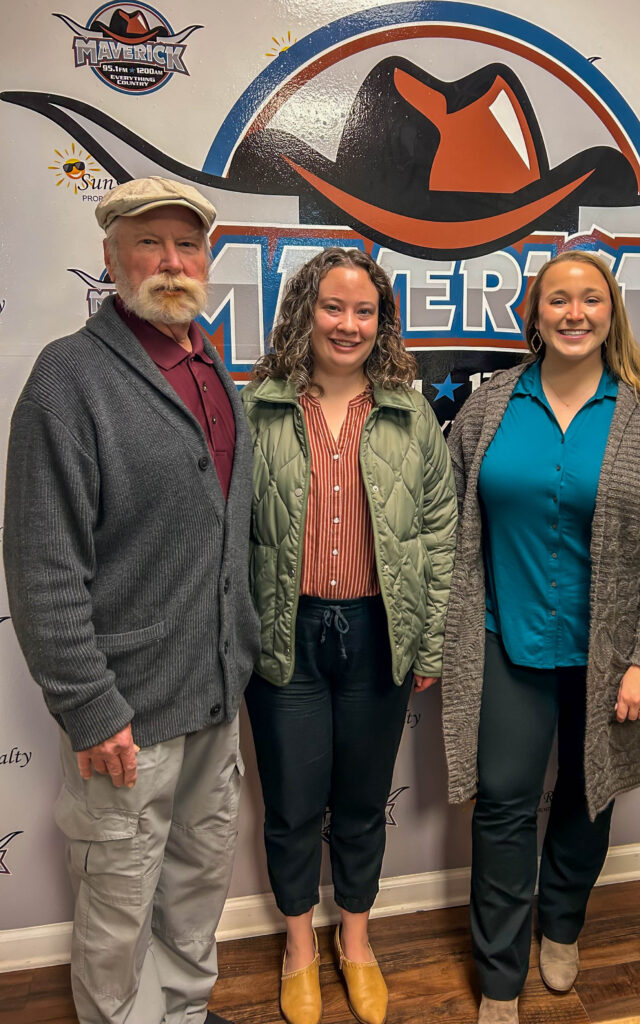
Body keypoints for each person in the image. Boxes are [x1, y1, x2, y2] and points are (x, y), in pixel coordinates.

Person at [3, 177, 260, 1024]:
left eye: (187, 245)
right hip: (126, 718)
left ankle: (183, 1011)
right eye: (149, 243)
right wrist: (90, 705)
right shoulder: (68, 379)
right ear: (111, 257)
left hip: (215, 701)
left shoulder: (216, 376)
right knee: (117, 910)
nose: (171, 261)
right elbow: (44, 565)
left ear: (207, 260)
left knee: (195, 885)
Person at [441, 249, 640, 1024]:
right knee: (505, 806)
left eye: (591, 298)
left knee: (590, 796)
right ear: (536, 315)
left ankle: (562, 926)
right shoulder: (488, 407)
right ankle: (498, 972)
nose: (575, 312)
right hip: (502, 638)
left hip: (610, 652)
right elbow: (450, 520)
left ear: (611, 312)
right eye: (559, 299)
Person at [242, 247, 457, 1024]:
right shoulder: (257, 407)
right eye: (333, 307)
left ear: (381, 322)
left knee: (363, 801)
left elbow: (440, 529)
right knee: (294, 803)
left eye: (364, 311)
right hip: (284, 636)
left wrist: (428, 643)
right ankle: (299, 944)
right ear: (305, 310)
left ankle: (356, 940)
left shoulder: (406, 412)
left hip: (379, 635)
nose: (348, 324)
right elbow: (230, 536)